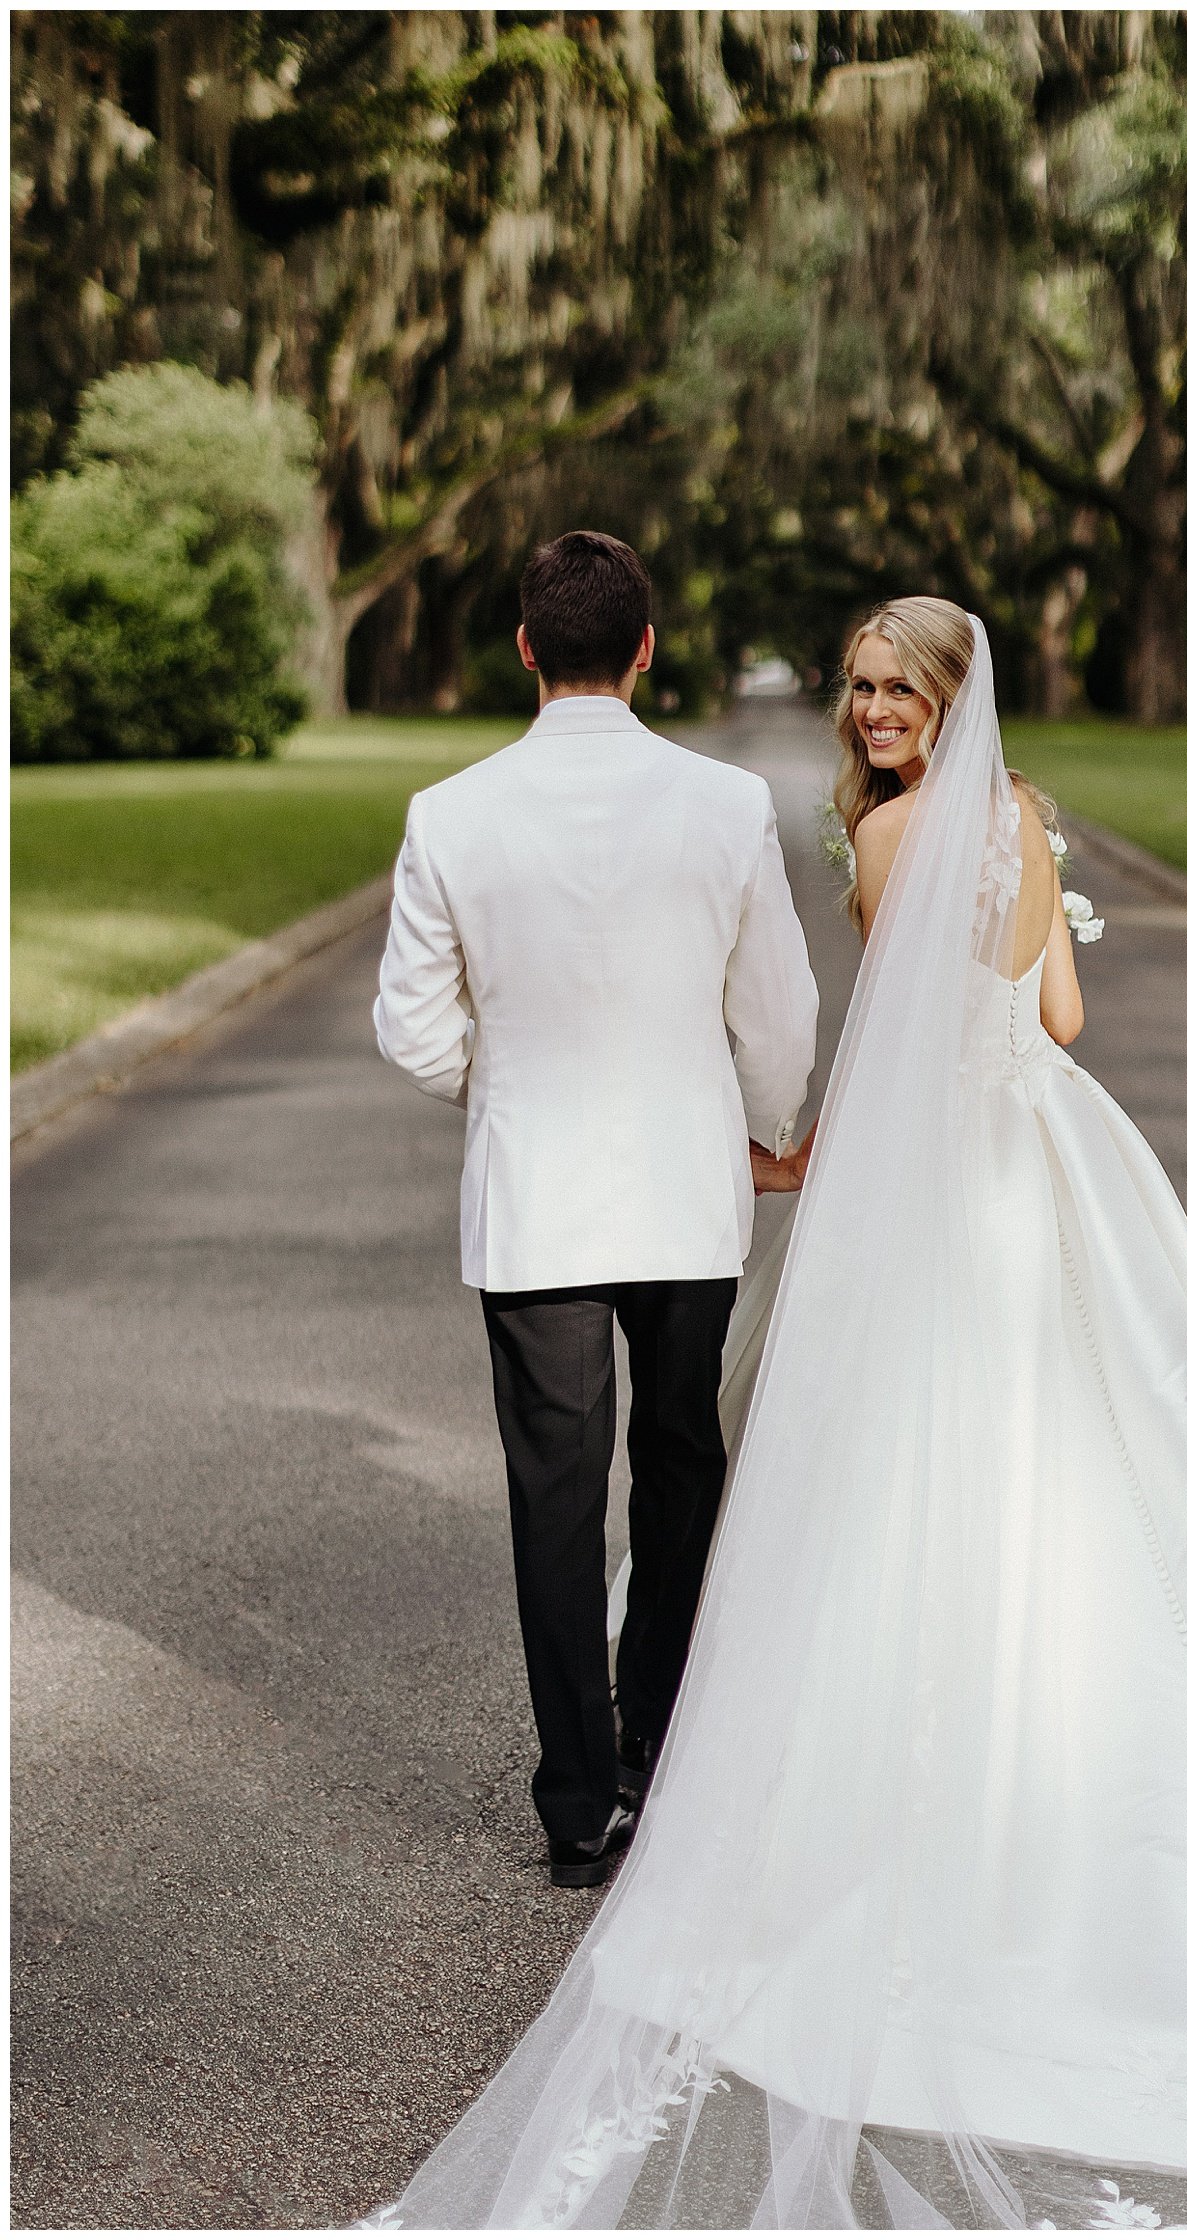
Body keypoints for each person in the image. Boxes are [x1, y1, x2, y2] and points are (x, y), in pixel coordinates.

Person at [361, 596, 1187, 2230]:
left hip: (949, 1182)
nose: (875, 710)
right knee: (1116, 1447)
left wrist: (810, 1152)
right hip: (1052, 1153)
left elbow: (892, 1051)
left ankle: (760, 1767)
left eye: (899, 690)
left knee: (911, 1467)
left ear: (945, 706)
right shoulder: (1020, 820)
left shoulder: (890, 838)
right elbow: (1061, 1025)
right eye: (864, 687)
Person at [372, 530, 819, 1889]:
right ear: (645, 648)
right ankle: (654, 1753)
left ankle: (576, 1806)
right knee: (682, 1469)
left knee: (557, 1502)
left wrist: (500, 1090)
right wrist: (765, 1127)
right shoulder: (727, 804)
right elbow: (781, 1016)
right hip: (687, 1195)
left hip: (537, 1206)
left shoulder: (451, 813)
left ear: (524, 649)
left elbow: (410, 1029)